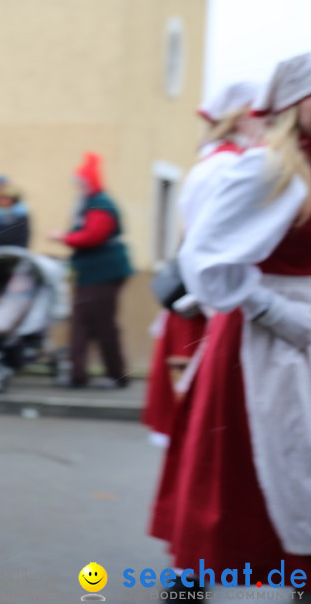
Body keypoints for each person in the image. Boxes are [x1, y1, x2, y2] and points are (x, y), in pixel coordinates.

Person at [150, 52, 311, 588]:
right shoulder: (268, 166)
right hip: (266, 343)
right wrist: (276, 312)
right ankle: (191, 583)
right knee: (269, 467)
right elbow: (207, 258)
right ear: (292, 104)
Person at [141, 82, 262, 444]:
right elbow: (208, 244)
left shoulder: (228, 163)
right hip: (209, 301)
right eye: (261, 116)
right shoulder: (225, 166)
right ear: (240, 120)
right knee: (203, 426)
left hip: (213, 299)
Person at [49, 152, 133, 388]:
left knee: (103, 324)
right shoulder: (91, 204)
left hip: (103, 274)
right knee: (82, 324)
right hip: (90, 274)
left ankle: (116, 375)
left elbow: (93, 236)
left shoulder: (100, 205)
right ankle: (78, 373)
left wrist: (64, 237)